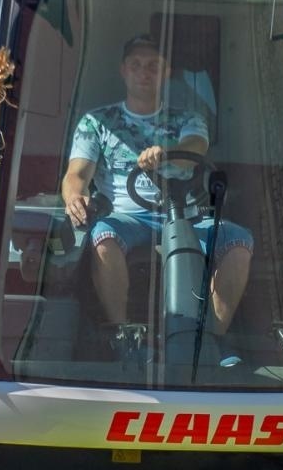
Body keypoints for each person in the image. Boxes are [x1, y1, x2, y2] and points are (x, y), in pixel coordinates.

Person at [59, 34, 253, 344]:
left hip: (186, 216)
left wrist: (167, 150)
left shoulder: (188, 118)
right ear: (124, 70)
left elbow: (196, 147)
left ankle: (212, 339)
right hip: (126, 217)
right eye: (136, 65)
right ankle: (122, 337)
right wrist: (74, 197)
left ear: (166, 72)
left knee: (238, 240)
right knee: (102, 237)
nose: (144, 72)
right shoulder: (96, 122)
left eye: (153, 66)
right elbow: (76, 175)